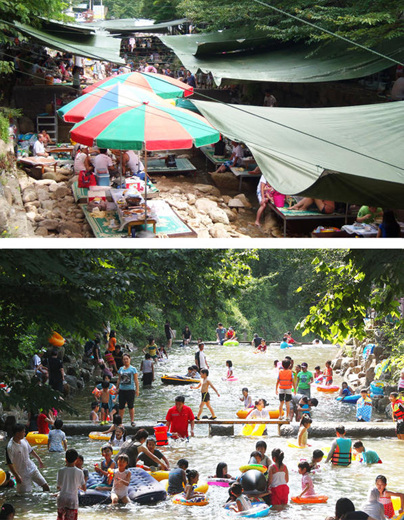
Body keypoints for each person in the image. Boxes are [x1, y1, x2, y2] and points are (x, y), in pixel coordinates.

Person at [6, 423, 50, 493]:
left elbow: (30, 450)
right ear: (17, 433)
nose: (25, 433)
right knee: (24, 496)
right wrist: (16, 476)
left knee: (46, 486)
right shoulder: (10, 447)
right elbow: (10, 463)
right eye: (23, 432)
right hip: (21, 473)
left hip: (32, 468)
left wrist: (39, 459)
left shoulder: (24, 440)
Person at [56, 448, 86, 520]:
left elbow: (58, 487)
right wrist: (77, 486)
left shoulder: (61, 471)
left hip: (62, 498)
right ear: (76, 459)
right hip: (72, 500)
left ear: (65, 459)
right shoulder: (79, 472)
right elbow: (84, 488)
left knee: (60, 518)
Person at [116, 353, 139, 427]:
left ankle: (132, 421)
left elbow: (136, 380)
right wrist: (116, 388)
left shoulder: (133, 369)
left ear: (130, 359)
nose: (125, 360)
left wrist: (137, 390)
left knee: (131, 406)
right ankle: (120, 422)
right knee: (121, 406)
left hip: (130, 390)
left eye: (127, 359)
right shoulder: (121, 369)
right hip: (122, 390)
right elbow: (119, 379)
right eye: (124, 359)